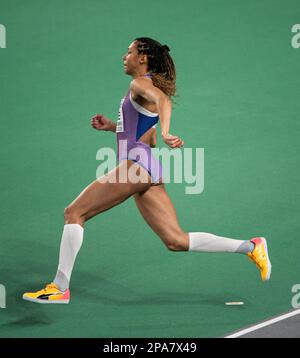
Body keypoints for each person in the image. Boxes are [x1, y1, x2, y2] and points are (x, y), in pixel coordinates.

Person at [23, 37, 271, 304]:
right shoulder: (144, 85)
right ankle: (251, 247)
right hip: (147, 167)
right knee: (175, 240)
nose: (124, 56)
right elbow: (147, 138)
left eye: (129, 52)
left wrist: (166, 132)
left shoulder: (140, 83)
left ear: (142, 57)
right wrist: (111, 126)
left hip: (138, 168)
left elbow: (163, 102)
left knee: (74, 212)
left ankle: (60, 288)